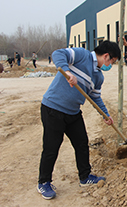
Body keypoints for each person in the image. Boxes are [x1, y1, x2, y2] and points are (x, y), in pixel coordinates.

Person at [37, 40, 121, 200]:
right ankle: (43, 182)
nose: (111, 65)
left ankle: (85, 176)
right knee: (52, 147)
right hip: (53, 108)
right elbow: (58, 54)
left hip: (73, 112)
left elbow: (95, 97)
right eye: (113, 62)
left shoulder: (98, 76)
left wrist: (105, 114)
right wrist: (68, 72)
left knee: (82, 143)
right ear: (107, 56)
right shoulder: (82, 55)